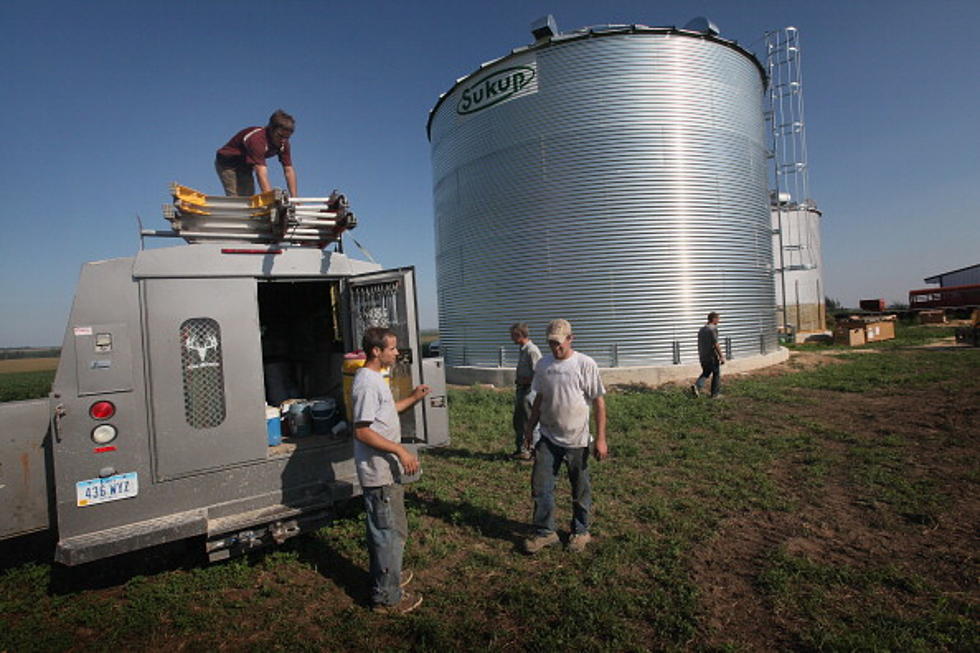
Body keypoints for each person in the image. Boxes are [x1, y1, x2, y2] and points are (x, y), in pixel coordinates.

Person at [351, 327, 430, 614]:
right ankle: (386, 597)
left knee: (392, 529)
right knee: (388, 533)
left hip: (386, 470)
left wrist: (413, 398)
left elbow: (384, 412)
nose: (397, 353)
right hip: (378, 472)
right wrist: (399, 450)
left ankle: (388, 577)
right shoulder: (367, 383)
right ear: (376, 351)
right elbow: (362, 431)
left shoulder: (375, 378)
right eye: (392, 348)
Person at [523, 319, 607, 554]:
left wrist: (600, 438)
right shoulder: (543, 365)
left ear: (571, 339)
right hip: (548, 438)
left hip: (577, 441)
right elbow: (539, 398)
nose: (555, 348)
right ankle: (545, 532)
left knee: (579, 488)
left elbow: (599, 403)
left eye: (559, 343)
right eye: (551, 343)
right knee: (541, 486)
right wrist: (530, 428)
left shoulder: (584, 364)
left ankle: (581, 531)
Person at [215, 109, 298, 197]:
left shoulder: (284, 143)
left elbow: (288, 170)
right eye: (280, 136)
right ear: (271, 129)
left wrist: (295, 199)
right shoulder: (257, 139)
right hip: (227, 164)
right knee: (237, 199)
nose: (283, 140)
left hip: (245, 166)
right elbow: (260, 171)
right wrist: (270, 199)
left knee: (248, 199)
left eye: (287, 137)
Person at [510, 323, 542, 461]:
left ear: (518, 335)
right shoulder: (523, 349)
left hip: (529, 392)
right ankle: (522, 449)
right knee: (520, 421)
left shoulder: (532, 350)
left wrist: (525, 381)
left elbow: (539, 373)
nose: (511, 338)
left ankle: (533, 452)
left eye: (512, 335)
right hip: (522, 391)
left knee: (530, 422)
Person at [692, 312, 725, 398]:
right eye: (718, 319)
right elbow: (715, 343)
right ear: (713, 319)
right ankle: (715, 394)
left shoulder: (702, 329)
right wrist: (721, 356)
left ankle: (697, 386)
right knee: (716, 373)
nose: (719, 321)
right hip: (711, 357)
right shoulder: (712, 329)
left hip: (703, 356)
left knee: (706, 372)